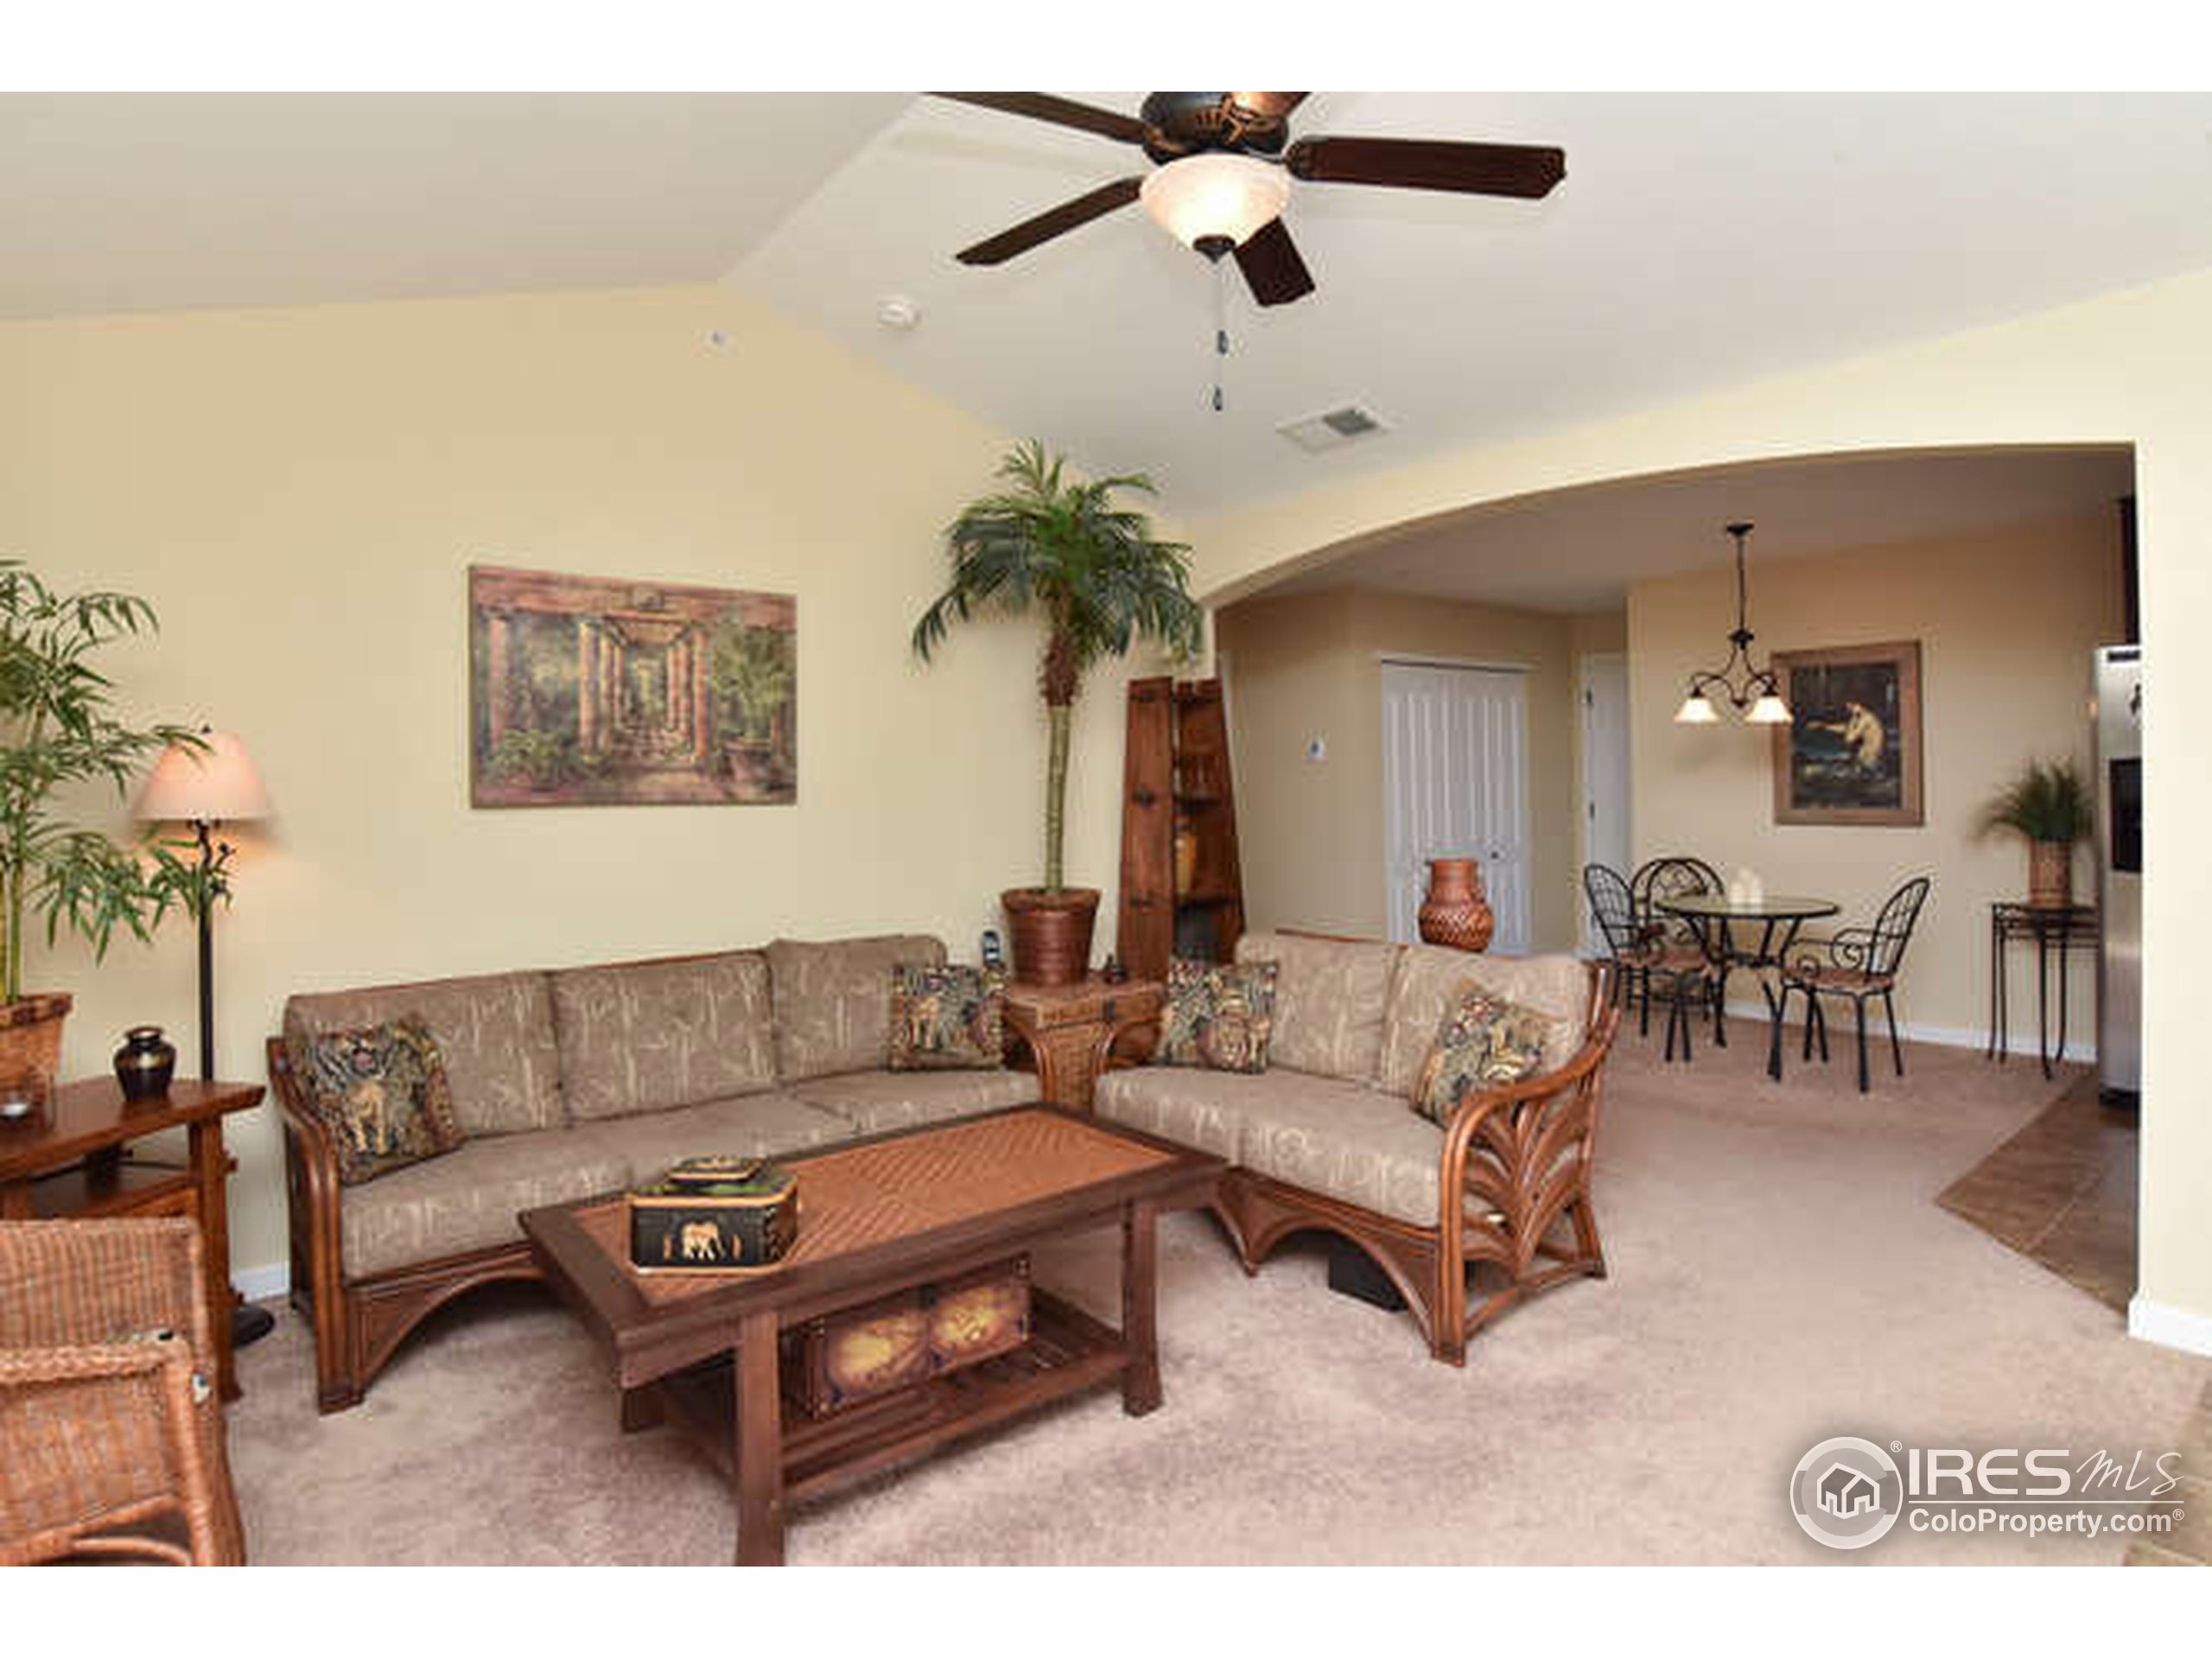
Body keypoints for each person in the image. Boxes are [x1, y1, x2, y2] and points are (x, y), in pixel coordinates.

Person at [1810, 700, 1886, 774]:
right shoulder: (1858, 716)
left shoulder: (1865, 717)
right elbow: (1845, 728)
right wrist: (1823, 726)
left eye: (1851, 705)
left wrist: (1850, 723)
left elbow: (1850, 737)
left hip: (1870, 754)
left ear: (1859, 704)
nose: (1848, 708)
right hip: (1862, 752)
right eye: (1848, 705)